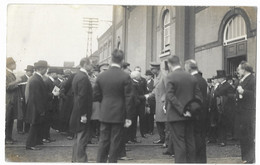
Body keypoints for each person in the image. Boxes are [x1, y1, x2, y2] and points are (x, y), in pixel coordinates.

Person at [94, 49, 133, 163]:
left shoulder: (101, 76)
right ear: (122, 60)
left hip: (105, 112)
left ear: (111, 59)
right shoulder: (125, 76)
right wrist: (129, 117)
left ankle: (100, 162)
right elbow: (129, 98)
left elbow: (96, 95)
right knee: (115, 141)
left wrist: (105, 101)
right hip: (119, 113)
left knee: (103, 140)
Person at [165, 55, 202, 163]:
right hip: (190, 116)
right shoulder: (191, 77)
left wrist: (183, 110)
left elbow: (170, 96)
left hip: (176, 116)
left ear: (169, 64)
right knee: (190, 141)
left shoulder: (170, 77)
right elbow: (198, 97)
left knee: (179, 143)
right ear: (180, 62)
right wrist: (190, 110)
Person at [69, 57, 93, 162]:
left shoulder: (78, 75)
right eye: (90, 64)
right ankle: (81, 160)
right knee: (82, 138)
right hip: (82, 112)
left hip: (77, 110)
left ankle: (75, 159)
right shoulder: (83, 77)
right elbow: (82, 97)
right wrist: (83, 114)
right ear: (85, 64)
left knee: (78, 137)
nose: (92, 66)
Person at [184, 59, 208, 163]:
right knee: (201, 138)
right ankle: (201, 160)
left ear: (188, 67)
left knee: (195, 139)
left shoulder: (192, 80)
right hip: (202, 113)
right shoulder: (202, 79)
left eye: (185, 67)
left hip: (195, 114)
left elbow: (192, 98)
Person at [25, 60, 48, 150]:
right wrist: (41, 110)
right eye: (45, 68)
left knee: (37, 124)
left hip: (36, 107)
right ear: (41, 69)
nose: (46, 70)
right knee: (34, 125)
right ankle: (30, 144)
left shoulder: (36, 78)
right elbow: (37, 97)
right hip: (36, 107)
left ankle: (36, 142)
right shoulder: (36, 80)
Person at [236, 61, 255, 163]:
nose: (238, 71)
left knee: (248, 134)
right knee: (243, 134)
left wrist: (243, 92)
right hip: (242, 111)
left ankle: (250, 158)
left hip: (248, 110)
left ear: (244, 69)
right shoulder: (242, 79)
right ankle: (245, 157)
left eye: (239, 69)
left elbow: (255, 94)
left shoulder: (252, 79)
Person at [146, 62, 167, 144]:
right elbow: (155, 90)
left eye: (152, 69)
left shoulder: (164, 77)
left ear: (157, 69)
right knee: (158, 121)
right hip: (157, 102)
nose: (151, 70)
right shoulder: (156, 77)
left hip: (162, 102)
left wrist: (164, 101)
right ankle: (162, 139)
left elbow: (168, 89)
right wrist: (148, 96)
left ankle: (166, 141)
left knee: (164, 122)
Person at [214, 70, 234, 147]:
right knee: (220, 125)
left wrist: (222, 98)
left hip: (225, 109)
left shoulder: (227, 86)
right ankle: (220, 140)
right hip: (219, 108)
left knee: (223, 125)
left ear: (222, 78)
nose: (217, 79)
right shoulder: (219, 85)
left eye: (218, 78)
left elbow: (231, 97)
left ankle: (223, 141)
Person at [6, 57, 21, 144]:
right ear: (10, 64)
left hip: (11, 100)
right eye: (14, 63)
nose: (15, 64)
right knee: (8, 119)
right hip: (8, 100)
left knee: (10, 119)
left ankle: (9, 137)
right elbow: (6, 86)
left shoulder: (10, 73)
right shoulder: (6, 73)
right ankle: (6, 138)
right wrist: (16, 81)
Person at [43, 67, 60, 143]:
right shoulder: (47, 82)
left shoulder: (53, 81)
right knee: (47, 122)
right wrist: (53, 94)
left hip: (52, 105)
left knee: (49, 122)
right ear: (52, 74)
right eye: (56, 73)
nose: (57, 75)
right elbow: (44, 94)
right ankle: (45, 137)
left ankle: (47, 137)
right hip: (49, 105)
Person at [17, 65, 34, 135]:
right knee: (21, 114)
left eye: (31, 71)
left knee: (28, 113)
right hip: (22, 98)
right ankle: (19, 129)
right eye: (29, 71)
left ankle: (27, 129)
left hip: (29, 98)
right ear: (26, 72)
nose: (30, 73)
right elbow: (18, 89)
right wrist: (20, 97)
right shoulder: (22, 78)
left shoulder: (32, 78)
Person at [145, 70, 155, 135]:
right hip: (145, 100)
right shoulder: (144, 82)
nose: (147, 76)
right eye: (146, 75)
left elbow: (154, 90)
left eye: (148, 75)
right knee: (145, 116)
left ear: (151, 76)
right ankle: (146, 129)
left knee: (151, 116)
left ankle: (151, 130)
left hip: (151, 100)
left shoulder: (153, 82)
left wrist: (149, 90)